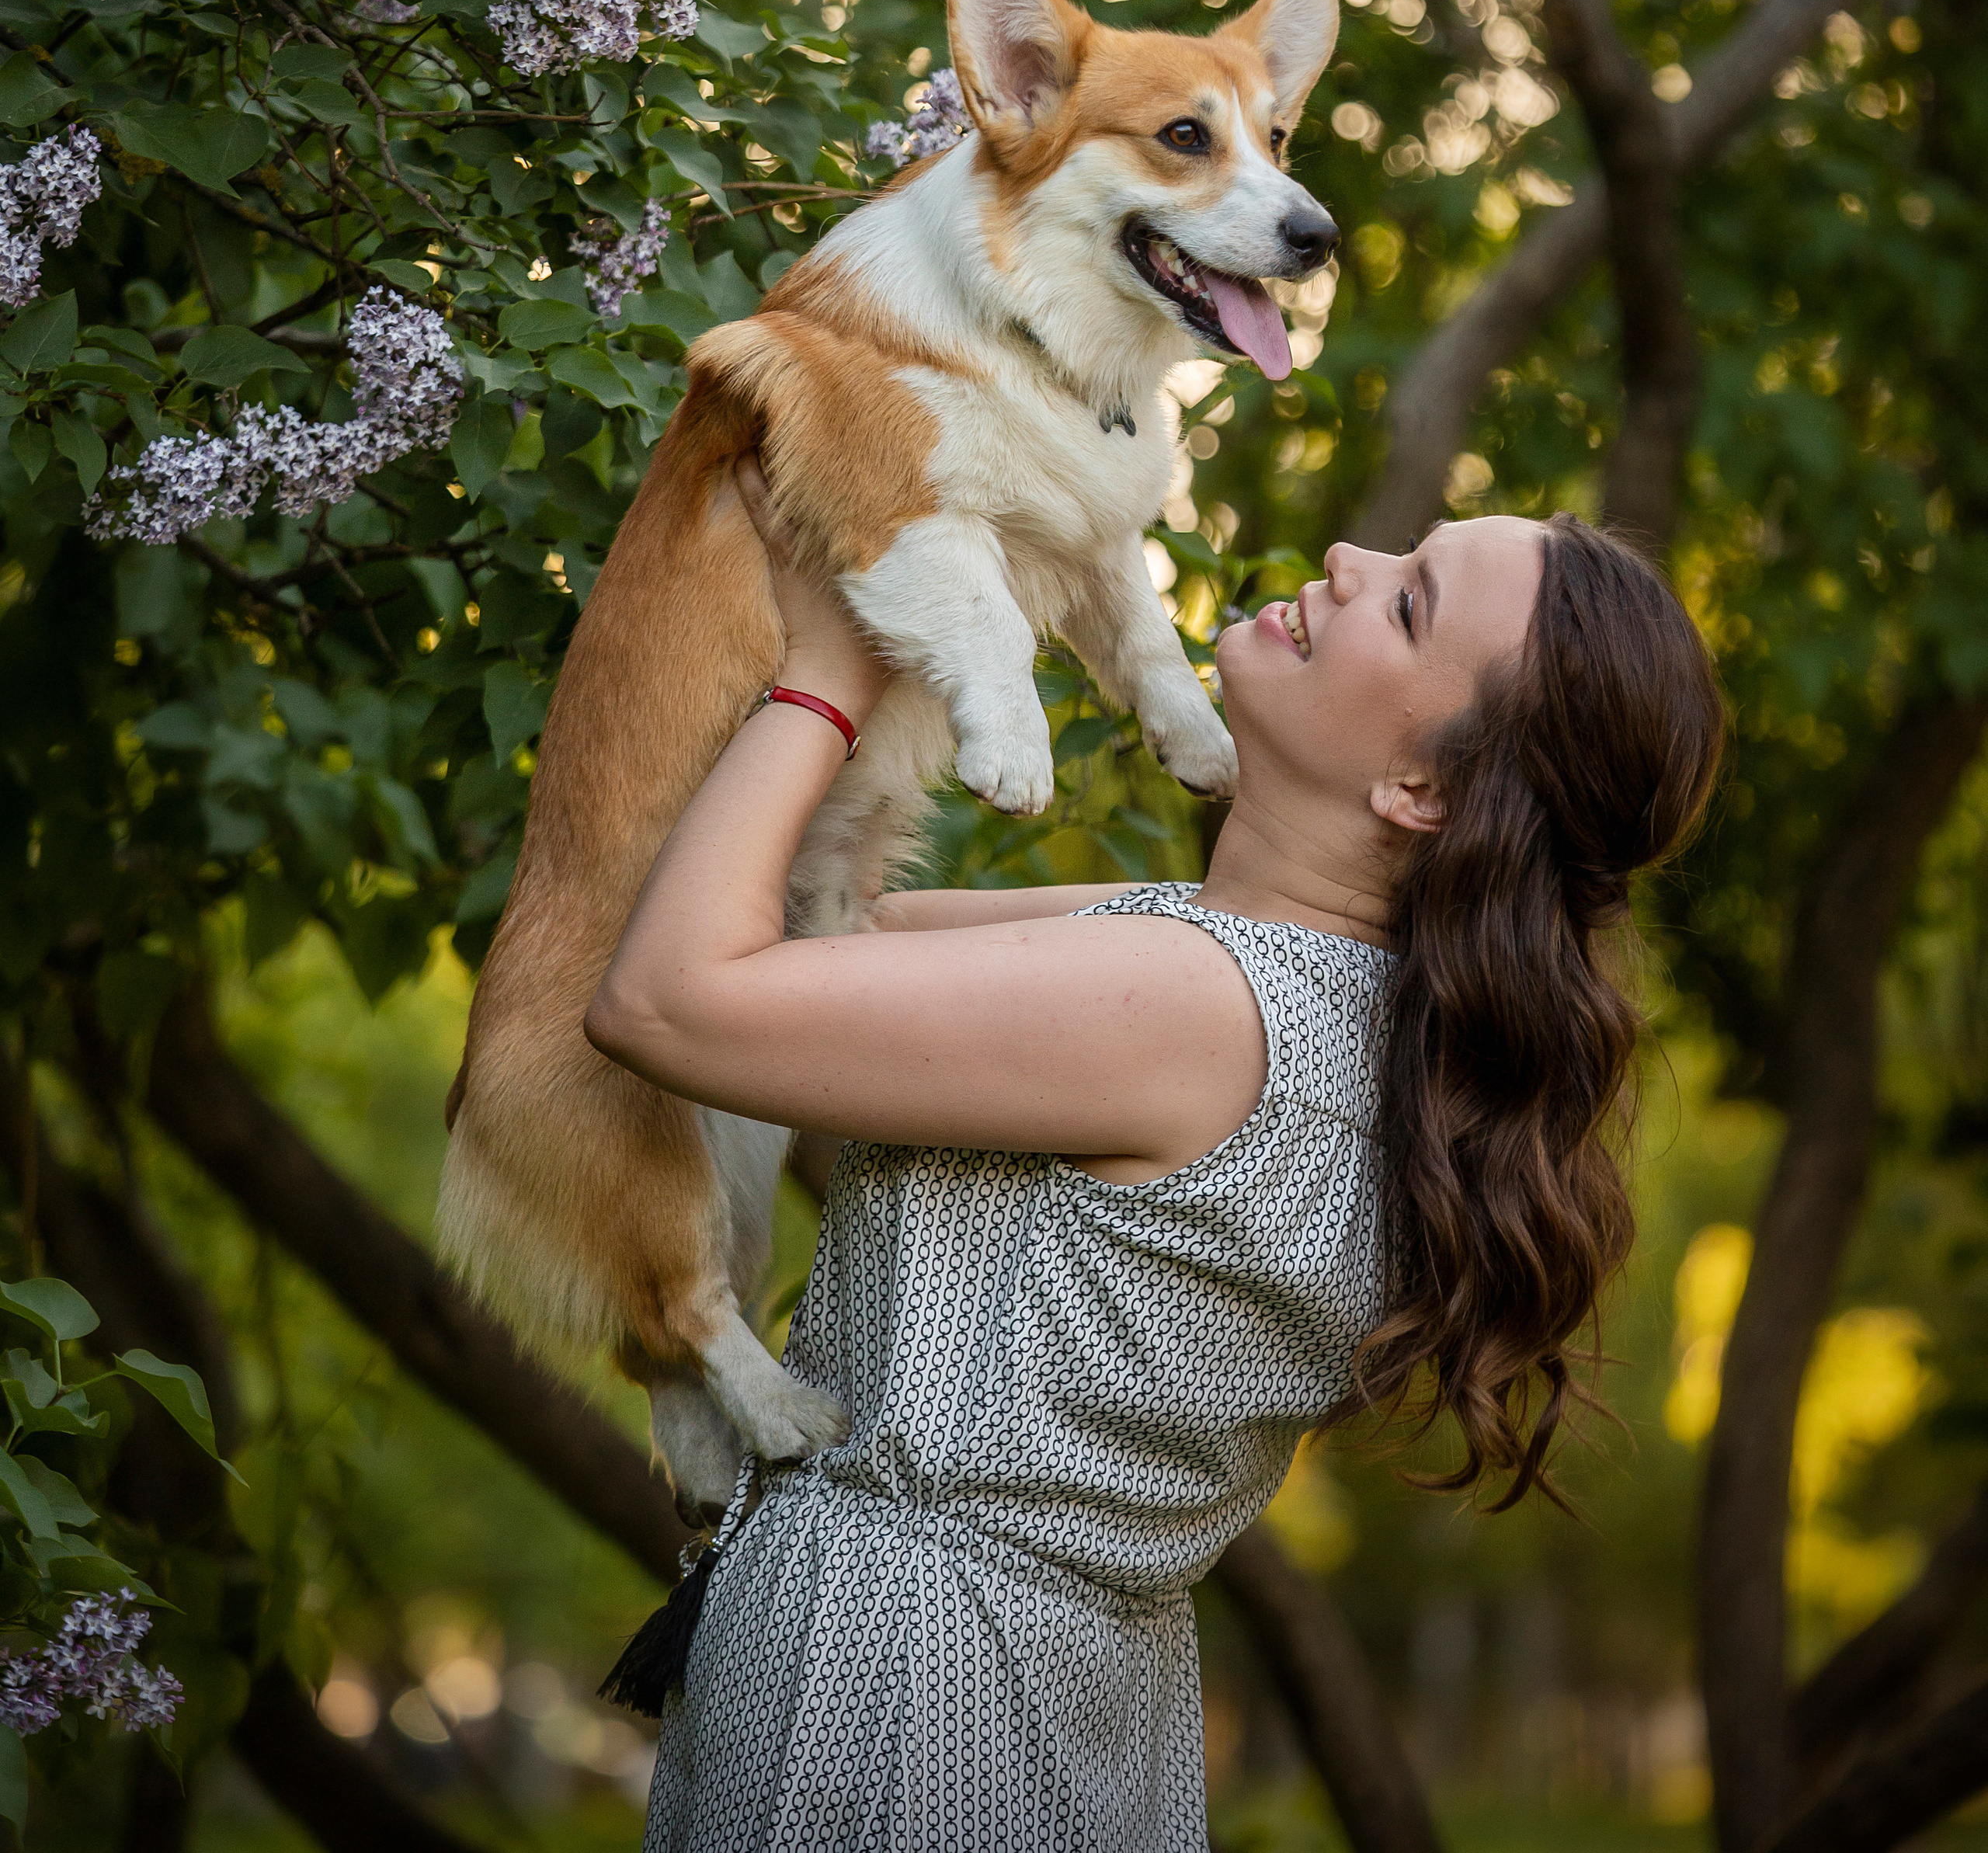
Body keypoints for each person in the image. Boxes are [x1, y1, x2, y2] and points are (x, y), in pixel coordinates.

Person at [586, 470, 1726, 1853]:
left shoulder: (1197, 1007)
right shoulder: (1262, 973)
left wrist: (837, 656)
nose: (1352, 558)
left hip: (901, 1705)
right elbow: (817, 944)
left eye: (1410, 601)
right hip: (1022, 1691)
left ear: (1419, 787)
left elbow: (670, 999)